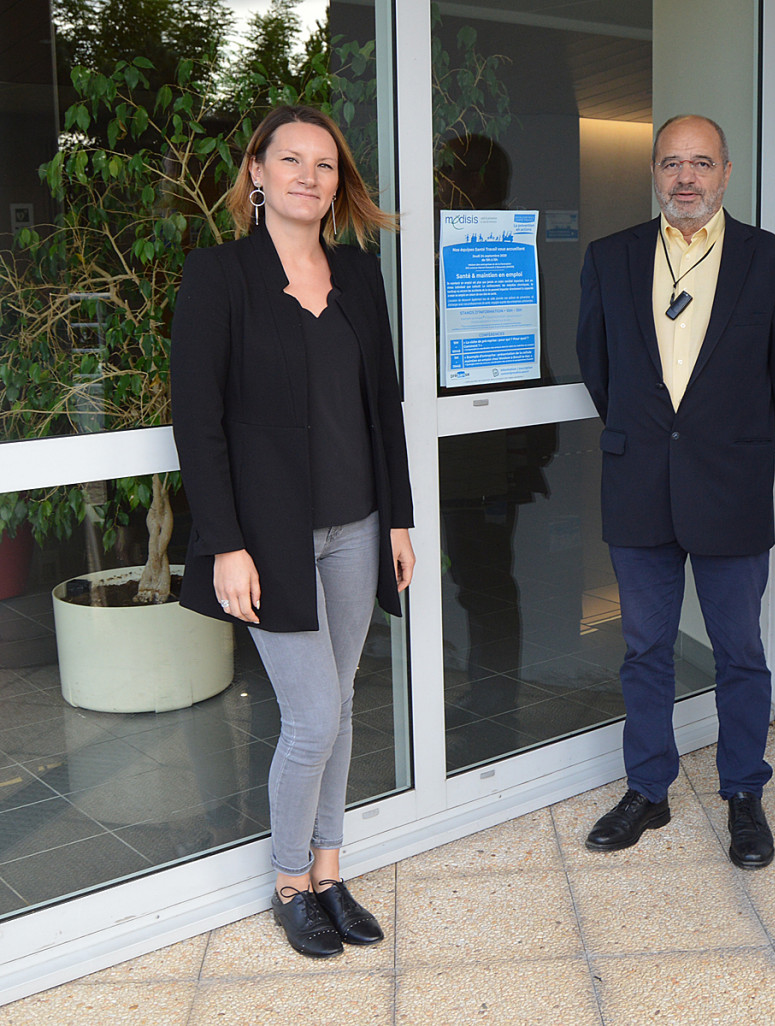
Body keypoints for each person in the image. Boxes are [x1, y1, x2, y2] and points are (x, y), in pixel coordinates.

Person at [171, 105, 415, 959]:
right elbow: (196, 424)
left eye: (326, 165)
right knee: (313, 716)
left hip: (357, 526)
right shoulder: (219, 276)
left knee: (341, 706)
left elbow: (382, 407)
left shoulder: (356, 274)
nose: (310, 177)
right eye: (293, 161)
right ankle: (287, 881)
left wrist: (401, 519)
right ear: (258, 173)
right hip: (268, 539)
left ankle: (331, 868)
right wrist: (225, 541)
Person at [575, 114, 775, 869]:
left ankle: (744, 791)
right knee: (645, 648)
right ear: (654, 171)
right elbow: (597, 364)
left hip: (732, 486)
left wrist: (736, 447)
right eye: (672, 163)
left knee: (739, 651)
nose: (686, 178)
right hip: (638, 483)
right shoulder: (611, 258)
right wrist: (654, 439)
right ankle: (648, 789)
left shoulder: (772, 262)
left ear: (726, 173)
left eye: (701, 163)